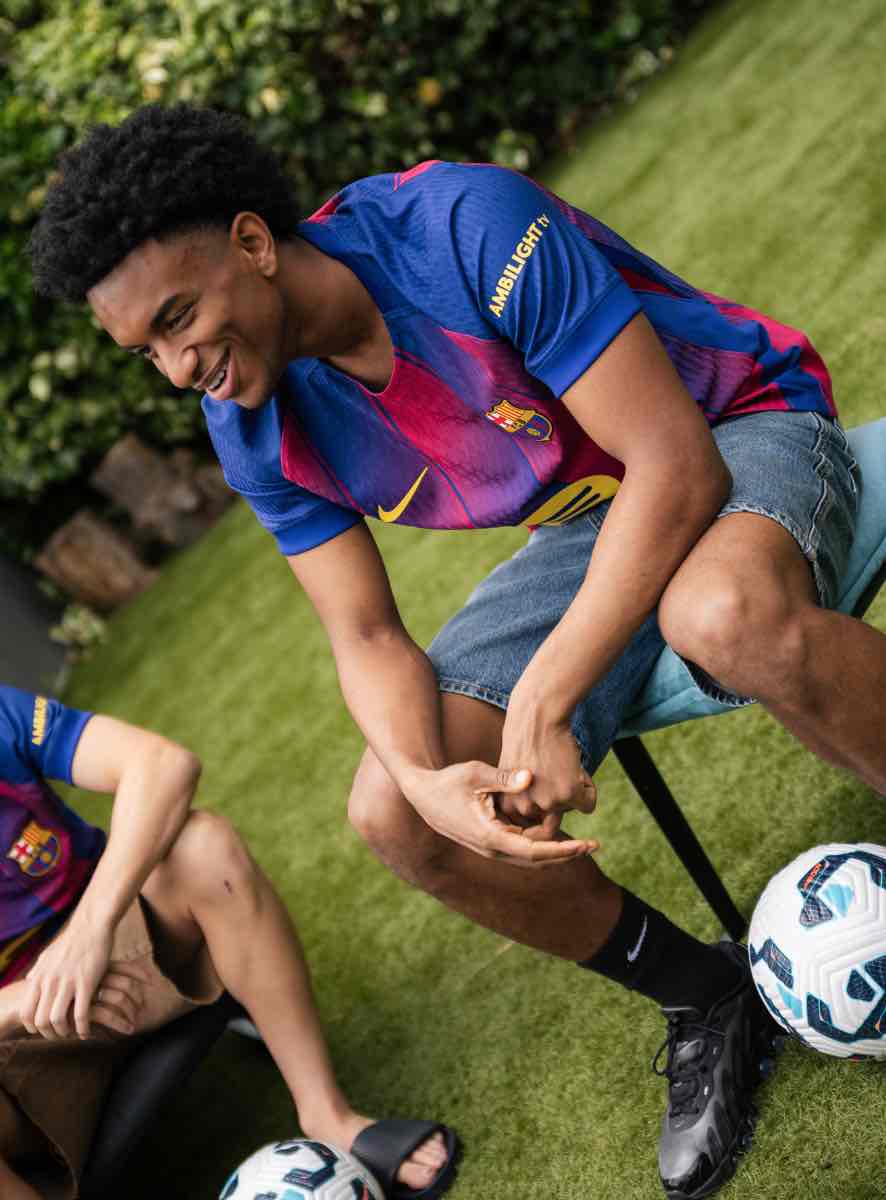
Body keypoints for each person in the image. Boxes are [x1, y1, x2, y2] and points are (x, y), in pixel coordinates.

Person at [28, 102, 881, 1199]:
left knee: (718, 616)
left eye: (178, 317)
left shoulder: (461, 225)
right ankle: (705, 995)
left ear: (251, 243)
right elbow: (364, 633)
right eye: (145, 348)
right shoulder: (251, 425)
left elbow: (675, 463)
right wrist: (428, 779)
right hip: (590, 524)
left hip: (735, 425)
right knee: (390, 807)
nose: (176, 365)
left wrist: (546, 695)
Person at [0, 685, 456, 1200]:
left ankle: (328, 1116)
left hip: (110, 956)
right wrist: (22, 1001)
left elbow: (162, 765)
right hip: (13, 1050)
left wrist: (89, 932)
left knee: (202, 848)